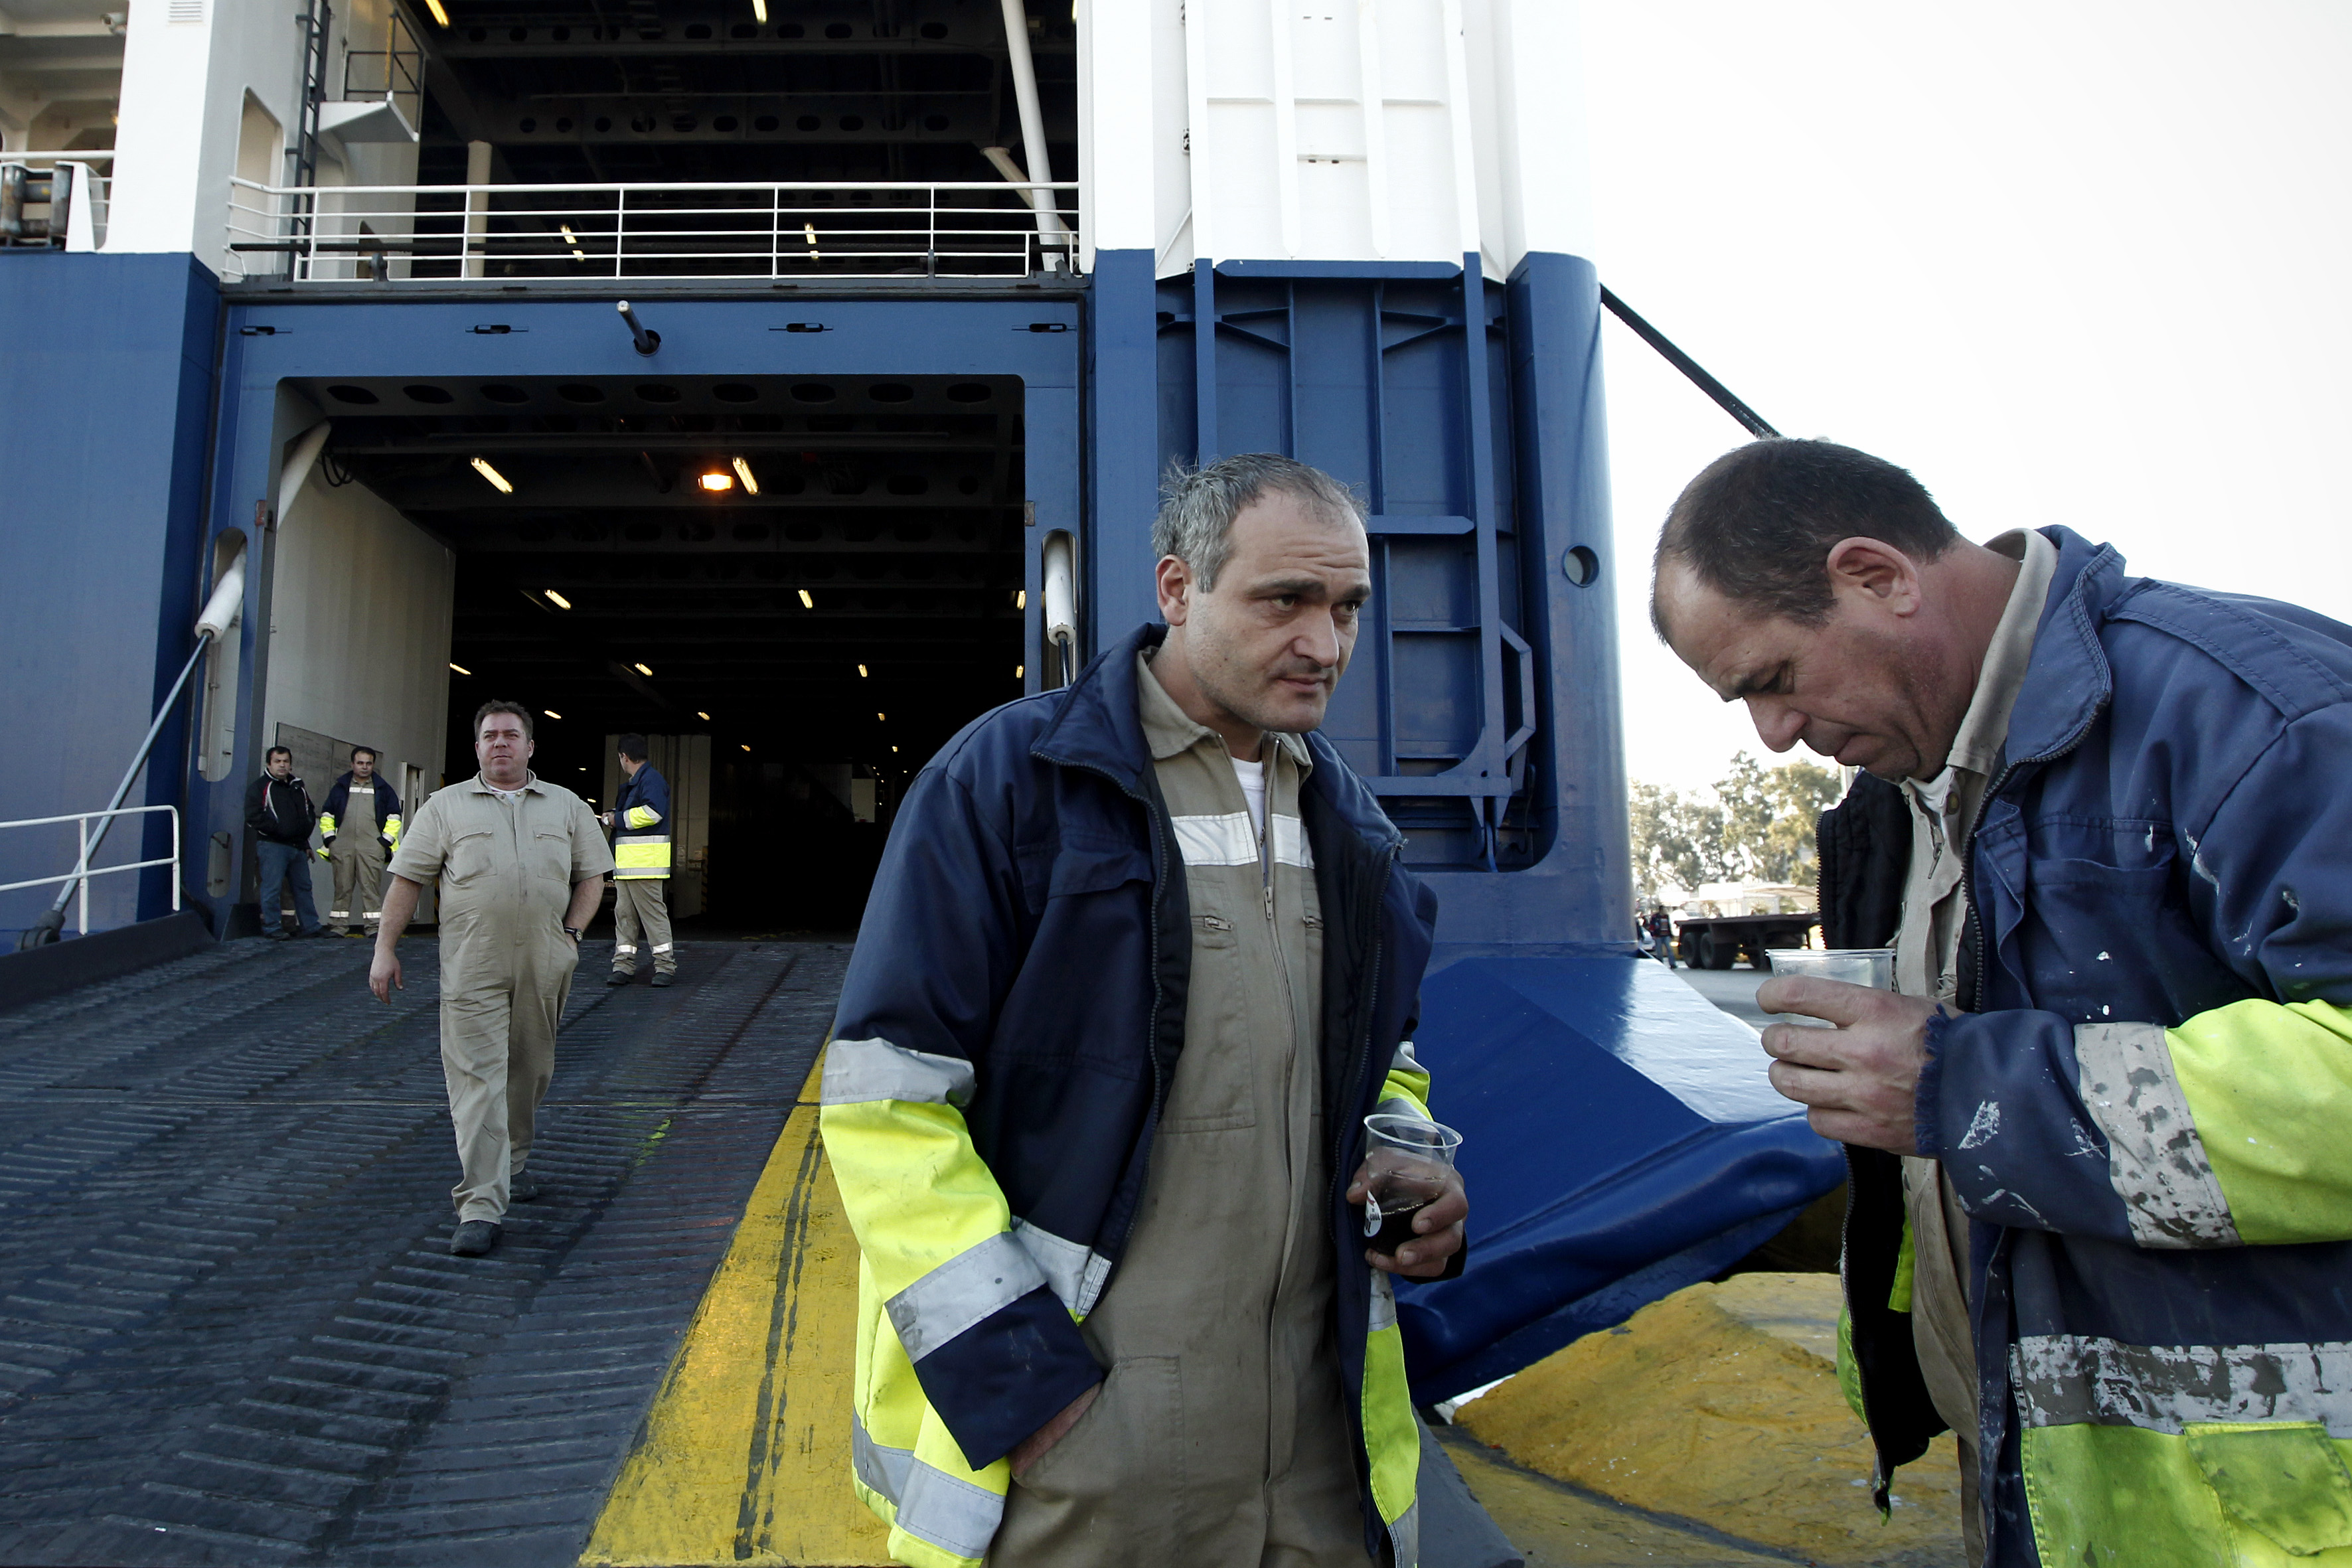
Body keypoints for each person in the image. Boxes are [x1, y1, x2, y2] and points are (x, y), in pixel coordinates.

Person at [1650, 437, 2352, 1568]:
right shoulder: (1896, 796)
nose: (1771, 735)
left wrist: (1967, 1090)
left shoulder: (2254, 715)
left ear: (1876, 576)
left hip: (2283, 1516)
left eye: (1772, 679)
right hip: (2060, 1493)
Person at [819, 453, 1466, 1568]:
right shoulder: (1012, 783)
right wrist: (1022, 1386)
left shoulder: (1348, 823)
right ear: (1177, 588)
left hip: (1319, 1459)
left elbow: (1384, 1056)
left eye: (1346, 607)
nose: (1324, 643)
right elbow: (887, 1101)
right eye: (1284, 600)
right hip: (1085, 1459)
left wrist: (1405, 1154)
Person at [368, 701, 613, 1257]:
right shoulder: (444, 807)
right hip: (472, 963)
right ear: (477, 748)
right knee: (476, 1079)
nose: (500, 743)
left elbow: (592, 875)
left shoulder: (566, 805)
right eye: (489, 736)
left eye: (510, 735)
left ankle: (513, 1163)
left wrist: (571, 936)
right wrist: (384, 949)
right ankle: (480, 1204)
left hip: (545, 959)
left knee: (530, 1069)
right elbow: (407, 880)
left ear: (530, 746)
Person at [597, 734, 674, 988]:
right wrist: (616, 816)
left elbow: (653, 813)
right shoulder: (641, 782)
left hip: (644, 867)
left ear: (624, 757)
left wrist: (616, 819)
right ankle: (623, 965)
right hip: (628, 868)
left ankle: (665, 967)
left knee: (652, 917)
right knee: (625, 917)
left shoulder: (650, 780)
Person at [319, 745, 404, 939]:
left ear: (373, 765)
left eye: (368, 763)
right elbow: (327, 814)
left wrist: (384, 842)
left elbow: (394, 816)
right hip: (343, 845)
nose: (364, 767)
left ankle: (374, 928)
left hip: (372, 846)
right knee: (342, 888)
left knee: (371, 889)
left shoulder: (383, 789)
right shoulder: (340, 787)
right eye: (360, 763)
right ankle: (338, 927)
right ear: (352, 764)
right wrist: (331, 839)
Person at [244, 745, 323, 940]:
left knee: (304, 888)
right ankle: (272, 928)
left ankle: (311, 927)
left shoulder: (298, 787)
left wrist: (304, 842)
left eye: (286, 761)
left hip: (298, 847)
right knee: (272, 888)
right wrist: (279, 831)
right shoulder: (260, 787)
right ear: (269, 764)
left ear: (290, 764)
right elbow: (253, 817)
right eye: (277, 761)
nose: (282, 765)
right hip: (273, 846)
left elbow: (309, 812)